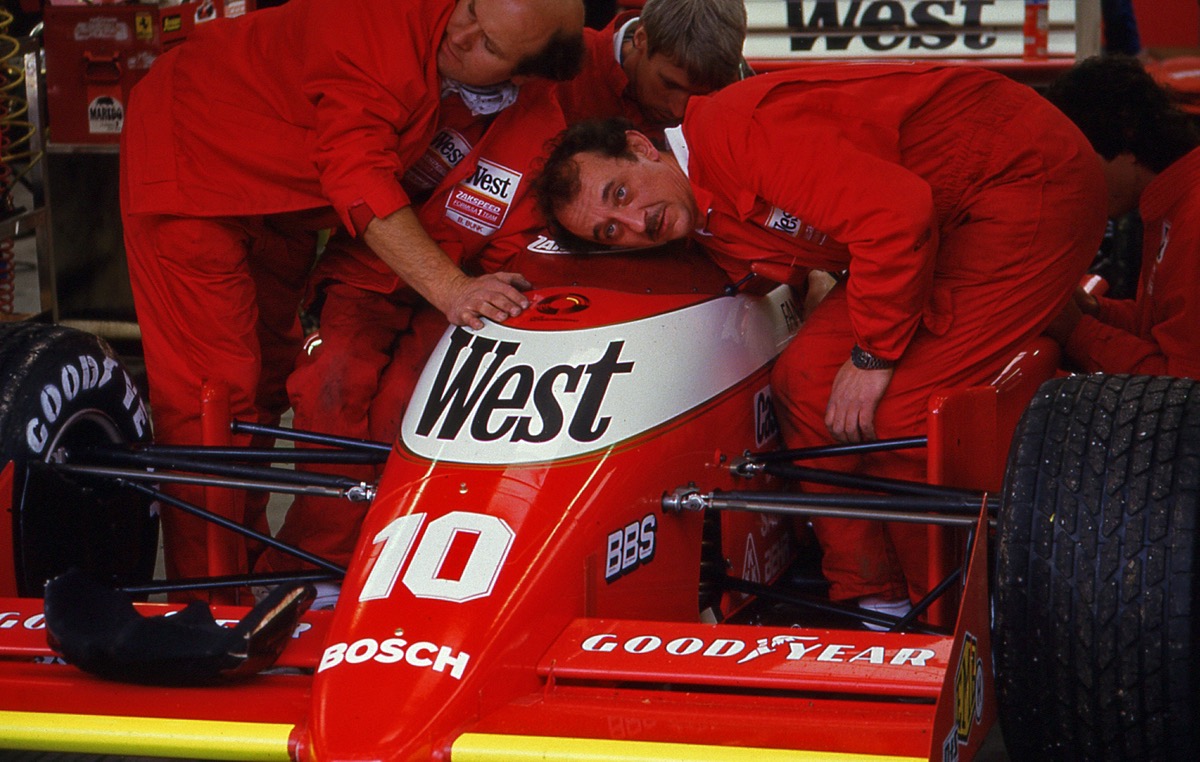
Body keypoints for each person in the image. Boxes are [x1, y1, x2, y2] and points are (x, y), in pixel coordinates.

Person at [533, 64, 1107, 621]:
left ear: (641, 146)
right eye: (610, 232)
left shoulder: (735, 133)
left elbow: (896, 217)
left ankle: (942, 617)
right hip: (932, 229)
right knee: (804, 383)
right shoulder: (700, 217)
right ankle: (878, 602)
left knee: (905, 412)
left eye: (621, 192)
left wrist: (873, 355)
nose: (635, 223)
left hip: (1021, 179)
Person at [257, 0, 749, 591]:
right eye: (672, 86)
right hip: (384, 263)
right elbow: (362, 161)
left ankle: (411, 575)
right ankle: (319, 578)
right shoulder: (546, 62)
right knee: (331, 393)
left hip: (488, 274)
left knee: (410, 408)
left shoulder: (671, 125)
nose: (679, 109)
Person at [120, 0, 584, 589]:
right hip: (190, 156)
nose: (460, 35)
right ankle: (207, 606)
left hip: (283, 200)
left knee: (260, 396)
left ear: (523, 76)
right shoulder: (377, 28)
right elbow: (357, 172)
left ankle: (242, 577)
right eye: (469, 9)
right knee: (211, 400)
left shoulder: (532, 96)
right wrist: (452, 289)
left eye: (489, 46)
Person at [1043, 56, 1200, 380]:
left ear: (1125, 138)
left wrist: (1076, 332)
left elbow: (1185, 395)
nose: (1073, 181)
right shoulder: (1175, 201)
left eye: (1079, 160)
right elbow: (1165, 328)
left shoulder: (1193, 220)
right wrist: (1095, 312)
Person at [556, 0, 747, 130]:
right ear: (641, 38)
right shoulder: (560, 65)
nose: (678, 110)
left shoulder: (734, 88)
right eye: (669, 84)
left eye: (701, 94)